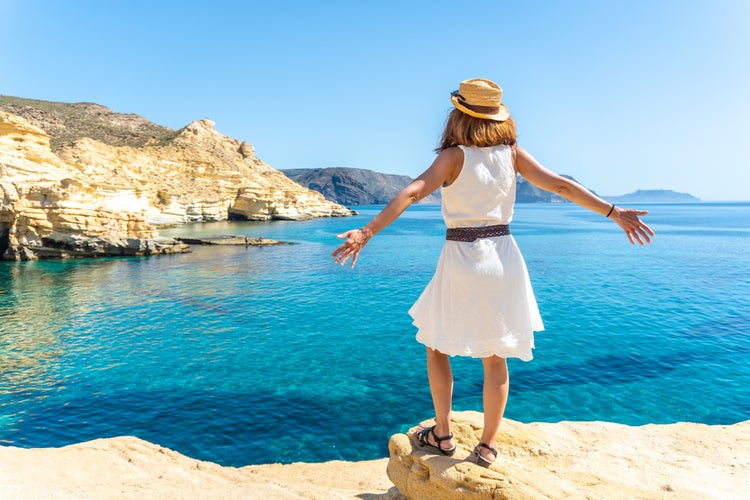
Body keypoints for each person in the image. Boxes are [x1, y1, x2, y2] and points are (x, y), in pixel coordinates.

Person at [331, 78, 654, 467]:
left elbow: (414, 192)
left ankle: (443, 434)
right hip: (503, 257)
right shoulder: (512, 155)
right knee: (495, 355)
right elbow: (561, 187)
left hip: (461, 257)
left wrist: (366, 231)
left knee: (436, 344)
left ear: (458, 115)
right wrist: (614, 212)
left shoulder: (453, 157)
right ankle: (486, 447)